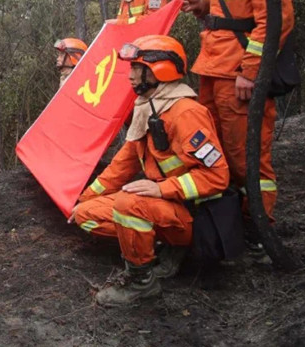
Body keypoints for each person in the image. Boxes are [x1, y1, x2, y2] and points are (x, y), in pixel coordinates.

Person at [177, 0, 294, 240]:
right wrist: (204, 3)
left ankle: (261, 232)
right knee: (214, 154)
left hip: (237, 70)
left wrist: (251, 69)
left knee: (247, 158)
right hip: (214, 65)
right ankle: (229, 232)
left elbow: (276, 16)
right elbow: (238, 4)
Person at [70, 35, 230, 307]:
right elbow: (124, 163)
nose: (130, 75)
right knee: (87, 216)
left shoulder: (185, 113)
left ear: (159, 70)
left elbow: (217, 176)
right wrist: (84, 199)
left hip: (194, 216)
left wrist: (161, 189)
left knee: (128, 203)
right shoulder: (149, 108)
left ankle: (141, 282)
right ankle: (159, 250)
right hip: (164, 207)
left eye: (137, 68)